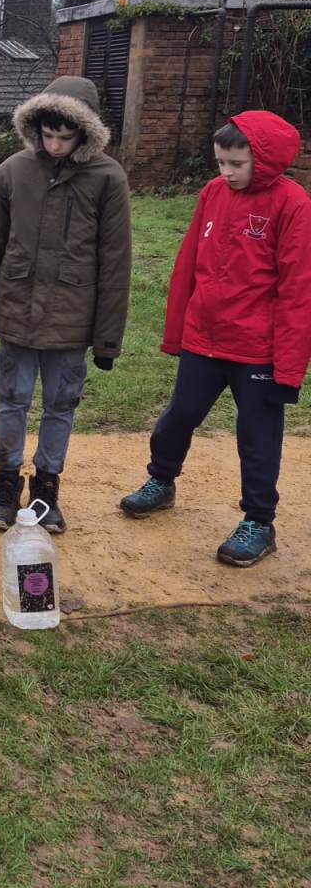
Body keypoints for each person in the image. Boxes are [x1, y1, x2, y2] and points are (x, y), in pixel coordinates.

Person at [119, 110, 311, 566]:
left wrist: (287, 368)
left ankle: (259, 521)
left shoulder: (293, 204)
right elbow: (189, 261)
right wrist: (177, 331)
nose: (226, 172)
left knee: (257, 436)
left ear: (264, 160)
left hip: (257, 350)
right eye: (221, 162)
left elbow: (298, 290)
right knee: (179, 416)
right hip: (203, 339)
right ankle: (161, 480)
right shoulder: (212, 193)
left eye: (236, 164)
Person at [0, 75, 132, 533]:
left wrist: (107, 340)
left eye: (66, 136)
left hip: (72, 321)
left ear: (85, 132)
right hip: (16, 312)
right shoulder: (13, 170)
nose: (55, 145)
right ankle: (6, 484)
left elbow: (116, 262)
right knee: (11, 400)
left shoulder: (108, 178)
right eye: (48, 134)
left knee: (61, 406)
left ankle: (46, 490)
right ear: (35, 127)